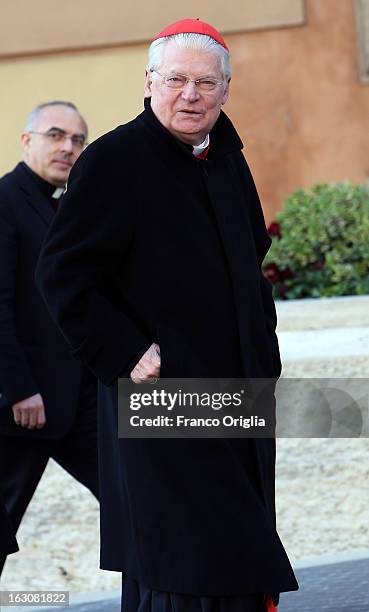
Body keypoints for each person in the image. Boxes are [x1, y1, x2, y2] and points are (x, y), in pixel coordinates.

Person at [36, 21, 298, 612]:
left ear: (226, 90)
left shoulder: (228, 159)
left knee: (231, 550)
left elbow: (251, 264)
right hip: (162, 392)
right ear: (150, 82)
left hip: (238, 392)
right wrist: (126, 352)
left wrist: (266, 353)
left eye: (206, 82)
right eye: (176, 79)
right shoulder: (114, 160)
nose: (190, 94)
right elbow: (62, 274)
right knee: (190, 558)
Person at [0, 101, 99, 576]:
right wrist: (18, 388)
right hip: (23, 409)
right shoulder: (4, 201)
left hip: (78, 399)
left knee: (136, 497)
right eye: (56, 135)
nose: (68, 148)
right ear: (27, 141)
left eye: (78, 140)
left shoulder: (69, 207)